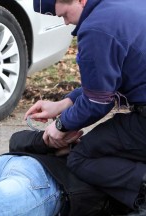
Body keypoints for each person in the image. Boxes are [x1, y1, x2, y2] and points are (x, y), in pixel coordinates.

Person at [25, 0, 146, 215]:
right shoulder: (127, 5)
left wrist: (60, 126)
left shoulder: (96, 29)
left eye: (64, 14)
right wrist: (62, 105)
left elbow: (97, 102)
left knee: (82, 157)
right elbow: (105, 84)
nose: (65, 22)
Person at [0, 129, 131, 216]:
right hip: (43, 181)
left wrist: (47, 142)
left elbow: (16, 140)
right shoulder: (123, 164)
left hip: (5, 164)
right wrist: (47, 140)